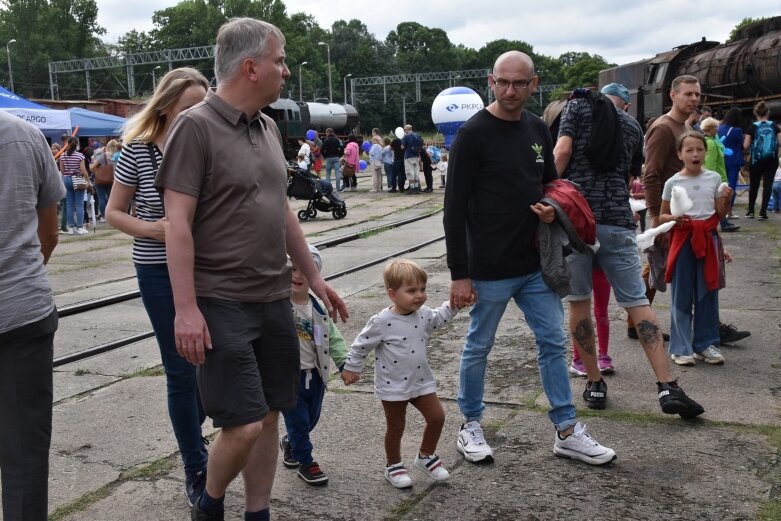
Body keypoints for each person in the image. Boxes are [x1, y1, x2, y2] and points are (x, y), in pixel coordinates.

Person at [155, 19, 348, 521]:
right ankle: (210, 503)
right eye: (280, 60)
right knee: (239, 423)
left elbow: (282, 212)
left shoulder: (265, 126)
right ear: (250, 67)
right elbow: (177, 226)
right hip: (221, 301)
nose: (285, 71)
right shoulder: (193, 128)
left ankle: (258, 513)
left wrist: (317, 278)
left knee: (267, 419)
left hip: (273, 298)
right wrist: (185, 310)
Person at [444, 50, 616, 466]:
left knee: (553, 343)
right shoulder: (473, 134)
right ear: (490, 81)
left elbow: (551, 185)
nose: (510, 90)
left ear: (533, 85)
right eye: (503, 82)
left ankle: (567, 430)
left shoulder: (537, 127)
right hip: (488, 267)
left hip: (534, 263)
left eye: (520, 83)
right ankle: (470, 425)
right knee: (478, 346)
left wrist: (552, 208)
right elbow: (453, 208)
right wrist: (459, 274)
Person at [554, 81, 704, 416]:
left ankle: (594, 383)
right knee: (637, 303)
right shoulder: (633, 124)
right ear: (623, 103)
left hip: (577, 222)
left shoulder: (577, 108)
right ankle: (667, 386)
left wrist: (546, 189)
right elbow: (628, 176)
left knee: (580, 303)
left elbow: (562, 152)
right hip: (618, 221)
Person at [106, 67, 211, 509]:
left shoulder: (209, 145)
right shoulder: (137, 151)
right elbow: (114, 212)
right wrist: (156, 230)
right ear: (168, 107)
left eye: (203, 107)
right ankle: (195, 465)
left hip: (210, 268)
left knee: (216, 363)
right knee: (180, 369)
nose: (198, 115)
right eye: (190, 108)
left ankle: (197, 431)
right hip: (158, 269)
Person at [638, 75, 749, 346]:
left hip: (692, 217)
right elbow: (651, 175)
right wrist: (657, 220)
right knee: (660, 267)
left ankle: (639, 321)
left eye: (697, 94)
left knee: (661, 267)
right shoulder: (664, 128)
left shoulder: (686, 126)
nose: (694, 99)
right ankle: (638, 319)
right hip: (672, 216)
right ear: (672, 96)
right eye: (688, 94)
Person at [0, 111, 65, 521]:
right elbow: (50, 231)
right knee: (24, 452)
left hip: (23, 311)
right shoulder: (24, 135)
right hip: (23, 311)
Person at [342, 259, 457, 488]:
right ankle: (393, 465)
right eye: (412, 290)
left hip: (421, 381)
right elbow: (360, 345)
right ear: (393, 295)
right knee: (396, 426)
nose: (420, 295)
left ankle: (426, 456)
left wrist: (456, 304)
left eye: (422, 289)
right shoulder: (382, 321)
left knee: (437, 417)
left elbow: (439, 317)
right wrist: (352, 368)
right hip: (392, 385)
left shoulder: (423, 314)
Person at [659, 131, 731, 366]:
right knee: (681, 293)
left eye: (699, 149)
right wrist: (675, 219)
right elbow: (662, 215)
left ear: (706, 152)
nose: (695, 154)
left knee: (708, 291)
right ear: (680, 154)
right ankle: (680, 347)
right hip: (683, 240)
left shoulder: (714, 179)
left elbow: (718, 214)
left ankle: (706, 344)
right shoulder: (673, 182)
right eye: (689, 150)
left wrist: (726, 200)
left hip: (709, 239)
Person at [279, 244, 347, 487]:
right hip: (289, 377)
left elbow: (333, 337)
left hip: (316, 375)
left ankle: (291, 442)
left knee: (310, 420)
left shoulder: (317, 309)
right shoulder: (278, 305)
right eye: (292, 269)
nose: (297, 276)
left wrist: (344, 362)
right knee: (298, 420)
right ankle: (307, 462)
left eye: (305, 272)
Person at [568, 268, 613, 377]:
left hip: (601, 267)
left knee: (602, 312)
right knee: (580, 313)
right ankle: (577, 359)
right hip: (579, 266)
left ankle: (603, 354)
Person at [743, 100, 781, 220]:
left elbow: (746, 145)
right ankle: (763, 212)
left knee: (754, 185)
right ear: (768, 112)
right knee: (768, 185)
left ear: (756, 113)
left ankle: (750, 211)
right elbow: (780, 142)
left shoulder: (753, 126)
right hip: (772, 159)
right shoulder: (774, 126)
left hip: (756, 160)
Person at [701, 117, 740, 232]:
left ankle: (723, 222)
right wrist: (712, 178)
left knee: (719, 200)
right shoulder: (711, 144)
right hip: (718, 177)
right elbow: (710, 163)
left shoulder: (709, 141)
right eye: (715, 127)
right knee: (722, 200)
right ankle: (723, 223)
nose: (717, 130)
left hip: (718, 176)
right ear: (711, 128)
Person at [717, 107, 745, 219]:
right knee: (731, 186)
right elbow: (742, 145)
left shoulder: (719, 128)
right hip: (733, 160)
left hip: (721, 159)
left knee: (722, 184)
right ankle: (729, 212)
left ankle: (720, 209)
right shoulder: (737, 130)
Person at [59, 136, 90, 235]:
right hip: (78, 179)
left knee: (69, 204)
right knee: (80, 204)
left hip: (67, 179)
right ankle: (80, 227)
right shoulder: (80, 156)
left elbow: (62, 171)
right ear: (77, 144)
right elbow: (83, 170)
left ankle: (71, 227)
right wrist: (87, 180)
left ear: (67, 144)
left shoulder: (62, 156)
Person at [401, 124, 422, 193]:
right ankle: (417, 188)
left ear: (407, 129)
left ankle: (412, 189)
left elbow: (402, 147)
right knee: (416, 173)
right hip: (416, 156)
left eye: (404, 130)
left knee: (410, 173)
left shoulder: (406, 136)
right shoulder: (417, 135)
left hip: (409, 156)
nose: (404, 131)